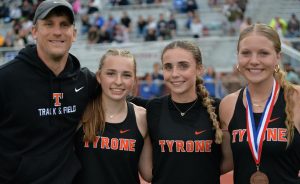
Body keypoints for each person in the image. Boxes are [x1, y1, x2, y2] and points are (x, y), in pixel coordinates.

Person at [0, 0, 98, 183]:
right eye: (49, 24)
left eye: (64, 25)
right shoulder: (6, 79)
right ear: (34, 31)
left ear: (74, 34)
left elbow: (123, 98)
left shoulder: (84, 81)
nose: (57, 32)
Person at [132, 40, 233, 183]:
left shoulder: (219, 108)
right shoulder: (153, 108)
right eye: (168, 67)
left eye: (183, 66)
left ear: (199, 69)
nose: (174, 74)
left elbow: (227, 161)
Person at [219, 24, 300, 184]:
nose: (254, 61)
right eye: (246, 53)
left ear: (278, 57)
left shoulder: (296, 97)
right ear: (238, 57)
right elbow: (226, 162)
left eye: (263, 53)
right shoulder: (228, 104)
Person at [74, 49, 152, 184]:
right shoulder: (81, 114)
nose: (118, 81)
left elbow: (149, 173)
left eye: (126, 75)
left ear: (134, 80)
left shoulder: (142, 117)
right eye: (111, 74)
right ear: (99, 76)